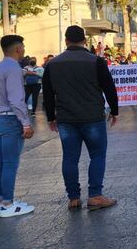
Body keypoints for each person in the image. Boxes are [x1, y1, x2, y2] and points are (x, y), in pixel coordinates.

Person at [42, 26, 118, 211]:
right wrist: (114, 111)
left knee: (69, 158)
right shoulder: (96, 61)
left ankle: (73, 198)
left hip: (66, 118)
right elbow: (109, 87)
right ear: (84, 41)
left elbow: (48, 95)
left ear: (66, 40)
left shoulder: (52, 64)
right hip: (93, 116)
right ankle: (95, 195)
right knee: (97, 156)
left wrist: (51, 117)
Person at [0, 35, 35, 217]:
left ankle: (0, 201)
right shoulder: (14, 69)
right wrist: (25, 123)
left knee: (0, 162)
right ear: (18, 49)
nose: (23, 50)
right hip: (10, 119)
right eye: (22, 47)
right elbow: (16, 99)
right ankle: (8, 204)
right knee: (10, 164)